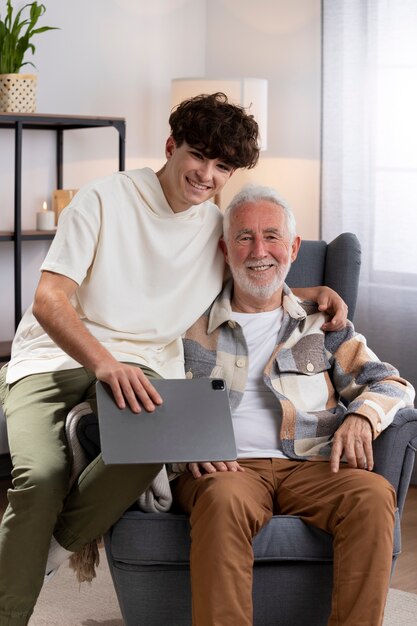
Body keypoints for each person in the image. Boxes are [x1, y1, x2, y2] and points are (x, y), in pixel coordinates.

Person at [0, 94, 346, 626]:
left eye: (222, 166)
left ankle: (48, 548)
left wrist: (314, 290)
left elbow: (257, 277)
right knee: (40, 474)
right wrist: (103, 364)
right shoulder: (102, 199)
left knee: (152, 447)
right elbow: (49, 300)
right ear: (170, 146)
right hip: (49, 358)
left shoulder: (214, 229)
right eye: (198, 156)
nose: (207, 175)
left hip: (143, 368)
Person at [172, 184, 415, 626]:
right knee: (223, 501)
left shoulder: (324, 321)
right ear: (226, 248)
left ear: (294, 247)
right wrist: (188, 442)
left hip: (314, 466)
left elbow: (391, 382)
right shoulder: (189, 323)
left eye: (272, 236)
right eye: (244, 237)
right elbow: (154, 392)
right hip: (227, 469)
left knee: (373, 494)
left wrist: (361, 416)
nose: (259, 250)